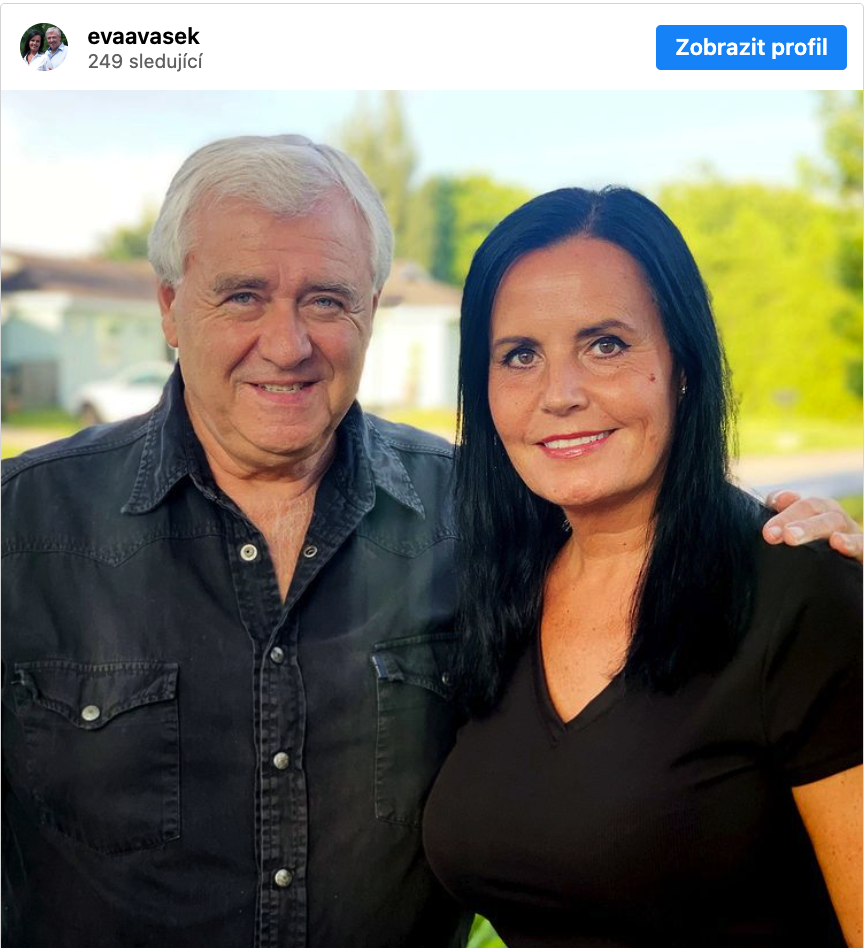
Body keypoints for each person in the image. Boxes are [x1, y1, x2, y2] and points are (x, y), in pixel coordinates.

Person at [1, 137, 859, 948]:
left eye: (326, 299)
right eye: (242, 296)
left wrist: (811, 550)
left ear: (371, 312)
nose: (288, 344)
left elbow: (662, 527)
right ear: (168, 308)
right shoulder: (20, 528)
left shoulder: (481, 523)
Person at [423, 187, 862, 947]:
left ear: (683, 364)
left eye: (605, 345)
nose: (559, 395)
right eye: (520, 355)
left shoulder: (800, 591)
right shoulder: (498, 592)